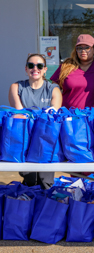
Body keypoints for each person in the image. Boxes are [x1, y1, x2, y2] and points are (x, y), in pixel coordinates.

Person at [8, 53, 62, 189]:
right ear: (26, 69)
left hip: (46, 141)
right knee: (30, 181)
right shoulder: (16, 87)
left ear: (45, 69)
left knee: (46, 182)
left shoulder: (53, 89)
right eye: (31, 65)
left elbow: (51, 120)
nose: (35, 69)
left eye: (39, 66)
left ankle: (47, 208)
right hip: (24, 140)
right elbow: (21, 116)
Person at [50, 34, 94, 109]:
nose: (83, 51)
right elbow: (54, 89)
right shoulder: (66, 66)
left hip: (92, 117)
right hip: (68, 116)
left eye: (87, 48)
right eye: (79, 48)